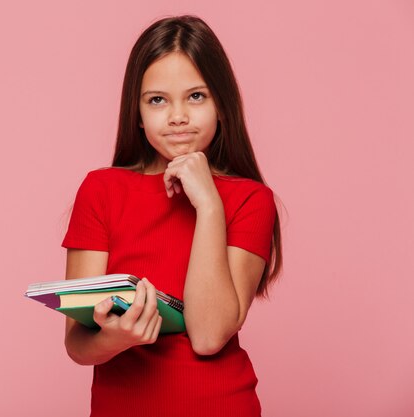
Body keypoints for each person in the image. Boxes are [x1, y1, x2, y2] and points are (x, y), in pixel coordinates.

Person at [60, 14, 283, 417]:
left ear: (222, 104)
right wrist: (117, 338)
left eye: (196, 96)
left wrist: (209, 205)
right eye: (158, 100)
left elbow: (209, 335)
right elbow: (77, 343)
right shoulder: (101, 190)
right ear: (138, 112)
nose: (177, 116)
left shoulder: (251, 199)